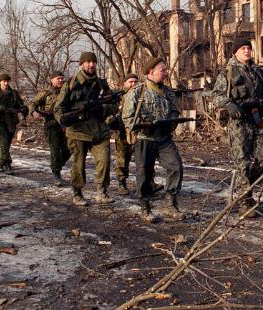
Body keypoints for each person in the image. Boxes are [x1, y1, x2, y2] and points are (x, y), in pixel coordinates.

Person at [212, 39, 263, 219]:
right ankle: (245, 200)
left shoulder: (258, 72)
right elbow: (216, 96)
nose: (247, 51)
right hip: (238, 123)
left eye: (249, 48)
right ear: (235, 53)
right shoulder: (228, 73)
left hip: (256, 120)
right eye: (243, 48)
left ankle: (246, 187)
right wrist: (228, 104)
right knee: (242, 162)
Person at [122, 57, 185, 223]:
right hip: (144, 138)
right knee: (144, 173)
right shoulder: (136, 92)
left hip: (164, 138)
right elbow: (127, 118)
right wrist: (145, 125)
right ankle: (145, 207)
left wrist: (169, 123)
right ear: (151, 72)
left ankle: (170, 204)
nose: (165, 73)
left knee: (176, 167)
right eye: (162, 70)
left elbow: (175, 112)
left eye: (165, 70)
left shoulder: (168, 92)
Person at [55, 52, 114, 206]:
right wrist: (63, 119)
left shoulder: (102, 84)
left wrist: (103, 109)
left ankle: (101, 191)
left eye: (93, 62)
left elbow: (113, 104)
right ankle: (77, 192)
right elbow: (59, 108)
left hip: (98, 131)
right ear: (81, 65)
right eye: (87, 62)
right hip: (77, 131)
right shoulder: (71, 84)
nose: (91, 65)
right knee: (78, 165)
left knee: (105, 160)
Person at [29, 71, 71, 186]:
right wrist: (34, 112)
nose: (61, 80)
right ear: (52, 80)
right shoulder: (45, 93)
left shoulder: (67, 92)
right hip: (51, 124)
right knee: (55, 149)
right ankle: (56, 173)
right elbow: (32, 103)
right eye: (58, 78)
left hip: (65, 124)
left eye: (62, 78)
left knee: (70, 148)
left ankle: (57, 165)